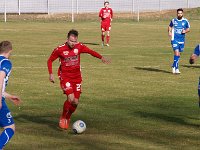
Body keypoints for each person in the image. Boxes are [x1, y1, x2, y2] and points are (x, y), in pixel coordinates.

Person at [47, 29, 110, 129]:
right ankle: (63, 117)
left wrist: (101, 57)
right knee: (70, 98)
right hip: (65, 77)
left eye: (74, 41)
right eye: (71, 41)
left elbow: (90, 51)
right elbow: (50, 60)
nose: (73, 43)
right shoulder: (60, 49)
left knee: (75, 102)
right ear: (67, 39)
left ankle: (68, 117)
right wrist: (51, 74)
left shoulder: (79, 46)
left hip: (77, 78)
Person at [0, 41, 21, 149]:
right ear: (10, 51)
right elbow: (0, 79)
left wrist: (9, 96)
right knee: (10, 127)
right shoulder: (6, 62)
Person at [168, 8, 190, 74]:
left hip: (182, 40)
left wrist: (185, 31)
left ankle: (176, 67)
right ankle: (174, 67)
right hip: (174, 39)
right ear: (177, 14)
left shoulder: (185, 21)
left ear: (182, 14)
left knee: (178, 55)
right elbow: (170, 26)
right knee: (177, 53)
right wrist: (169, 32)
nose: (179, 14)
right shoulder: (173, 20)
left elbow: (188, 29)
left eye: (181, 13)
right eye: (178, 13)